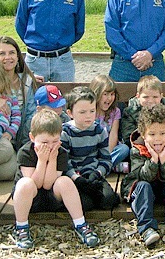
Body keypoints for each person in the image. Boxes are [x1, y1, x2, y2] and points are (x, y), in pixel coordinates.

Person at [11, 109, 100, 250]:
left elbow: (48, 184)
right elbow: (36, 183)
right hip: (30, 199)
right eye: (45, 141)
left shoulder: (60, 153)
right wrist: (42, 160)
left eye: (55, 141)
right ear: (32, 138)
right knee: (25, 183)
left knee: (65, 181)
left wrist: (51, 160)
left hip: (51, 197)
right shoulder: (25, 152)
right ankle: (21, 228)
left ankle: (80, 224)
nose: (51, 146)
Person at [120, 104, 165, 247]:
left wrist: (164, 160)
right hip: (145, 187)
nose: (157, 139)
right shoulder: (137, 150)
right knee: (142, 186)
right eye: (152, 134)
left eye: (162, 133)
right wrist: (154, 159)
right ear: (143, 135)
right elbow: (141, 176)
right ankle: (147, 228)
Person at [61, 86, 120, 211]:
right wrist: (75, 178)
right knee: (85, 205)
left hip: (94, 174)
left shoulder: (99, 130)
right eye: (82, 112)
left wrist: (97, 173)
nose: (88, 116)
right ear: (70, 113)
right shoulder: (65, 133)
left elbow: (106, 159)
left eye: (92, 111)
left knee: (109, 201)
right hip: (75, 177)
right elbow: (64, 162)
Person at [120, 75, 165, 168]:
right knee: (128, 150)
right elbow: (128, 137)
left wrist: (161, 144)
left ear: (161, 96)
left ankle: (163, 162)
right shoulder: (130, 111)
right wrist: (149, 143)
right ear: (138, 96)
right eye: (146, 97)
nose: (150, 101)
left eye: (155, 97)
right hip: (142, 148)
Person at [90, 74, 131, 172]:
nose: (109, 98)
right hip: (91, 150)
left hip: (109, 152)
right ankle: (110, 168)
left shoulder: (115, 111)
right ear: (96, 93)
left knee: (124, 149)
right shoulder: (89, 111)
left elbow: (113, 135)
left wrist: (107, 154)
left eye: (112, 94)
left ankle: (100, 169)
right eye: (105, 94)